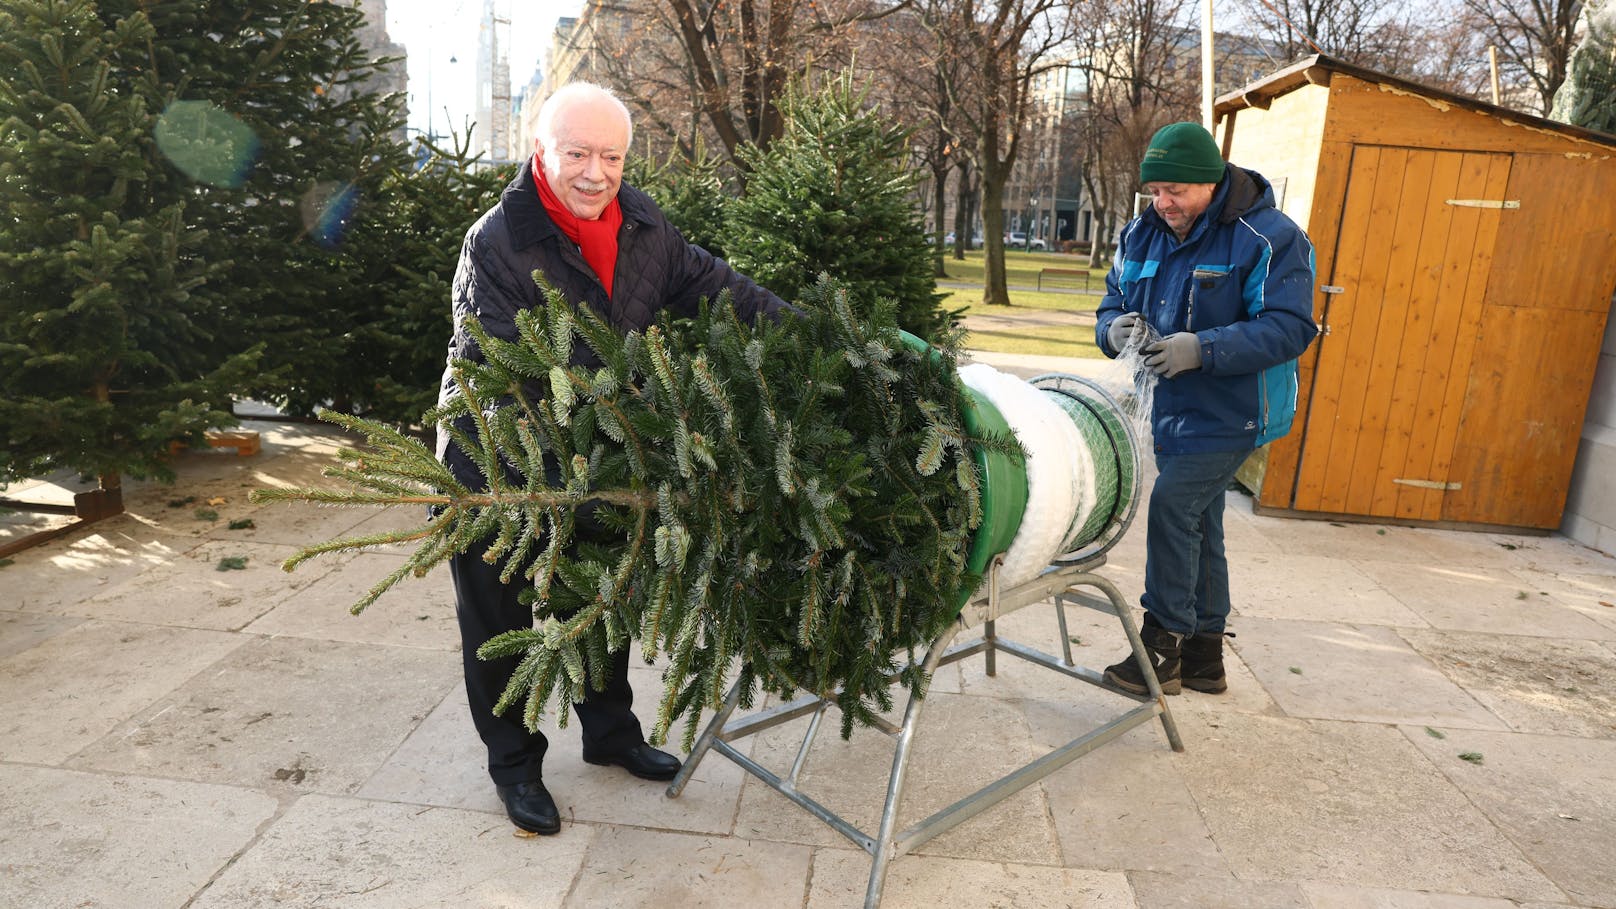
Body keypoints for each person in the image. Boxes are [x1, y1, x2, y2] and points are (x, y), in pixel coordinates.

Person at [436, 82, 792, 835]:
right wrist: (579, 455)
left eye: (612, 156)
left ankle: (611, 736)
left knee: (602, 595)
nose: (596, 172)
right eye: (577, 153)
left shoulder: (644, 228)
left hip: (598, 454)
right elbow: (495, 366)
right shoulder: (497, 238)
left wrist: (808, 326)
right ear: (542, 151)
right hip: (498, 463)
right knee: (499, 617)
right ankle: (514, 764)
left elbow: (719, 287)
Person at [1093, 121, 1317, 696]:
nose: (1163, 203)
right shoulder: (1139, 235)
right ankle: (1203, 658)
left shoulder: (1269, 237)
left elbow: (1290, 326)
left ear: (1210, 182)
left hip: (1236, 409)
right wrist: (1112, 330)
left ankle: (1160, 646)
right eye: (1154, 192)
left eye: (1175, 191)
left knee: (1173, 506)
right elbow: (1112, 301)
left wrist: (1203, 348)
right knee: (1201, 520)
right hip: (1168, 409)